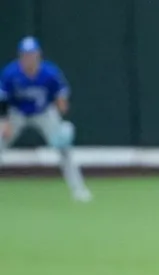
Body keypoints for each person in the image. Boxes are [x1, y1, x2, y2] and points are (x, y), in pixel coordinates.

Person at [0, 36, 92, 202]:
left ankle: (79, 190)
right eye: (25, 55)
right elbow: (3, 99)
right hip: (16, 113)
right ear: (20, 56)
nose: (29, 58)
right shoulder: (10, 73)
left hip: (44, 113)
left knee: (64, 149)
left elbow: (61, 96)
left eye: (32, 54)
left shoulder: (49, 73)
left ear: (38, 55)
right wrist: (4, 122)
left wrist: (62, 107)